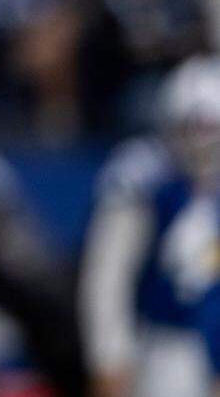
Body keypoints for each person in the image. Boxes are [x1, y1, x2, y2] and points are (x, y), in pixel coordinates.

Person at [78, 56, 220, 397]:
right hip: (165, 345)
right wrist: (109, 356)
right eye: (194, 128)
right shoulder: (146, 174)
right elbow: (108, 275)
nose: (204, 143)